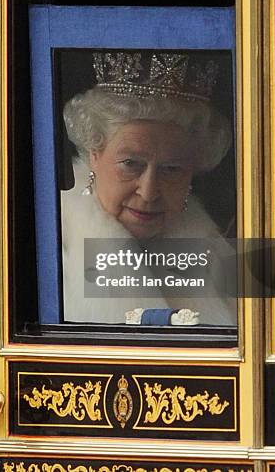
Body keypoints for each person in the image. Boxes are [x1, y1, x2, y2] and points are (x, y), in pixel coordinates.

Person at [61, 51, 237, 325]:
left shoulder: (215, 252)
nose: (149, 191)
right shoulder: (55, 245)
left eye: (172, 169)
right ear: (94, 152)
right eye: (131, 163)